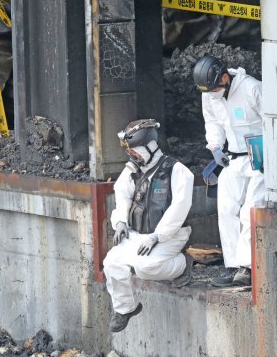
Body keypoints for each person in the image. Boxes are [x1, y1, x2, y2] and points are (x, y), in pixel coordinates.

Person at [103, 119, 194, 332]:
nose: (132, 156)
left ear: (149, 147)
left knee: (145, 267)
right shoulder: (131, 171)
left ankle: (183, 265)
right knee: (112, 263)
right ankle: (126, 308)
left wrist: (157, 236)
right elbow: (122, 197)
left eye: (135, 152)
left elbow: (180, 207)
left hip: (170, 236)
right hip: (137, 235)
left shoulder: (177, 170)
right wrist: (120, 223)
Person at [192, 56, 264, 287]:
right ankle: (233, 266)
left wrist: (270, 155)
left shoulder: (252, 88)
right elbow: (211, 121)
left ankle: (248, 267)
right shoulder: (208, 94)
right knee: (225, 209)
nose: (213, 94)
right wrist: (215, 147)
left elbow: (274, 121)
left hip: (260, 159)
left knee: (249, 213)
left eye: (215, 88)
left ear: (225, 77)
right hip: (233, 157)